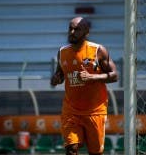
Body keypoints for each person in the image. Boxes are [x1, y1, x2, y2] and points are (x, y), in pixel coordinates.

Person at [50, 17, 118, 155]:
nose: (72, 32)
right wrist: (56, 79)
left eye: (77, 29)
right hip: (71, 111)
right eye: (70, 28)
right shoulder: (62, 52)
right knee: (71, 149)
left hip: (95, 111)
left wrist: (92, 77)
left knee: (95, 152)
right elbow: (60, 74)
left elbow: (114, 75)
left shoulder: (98, 51)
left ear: (86, 32)